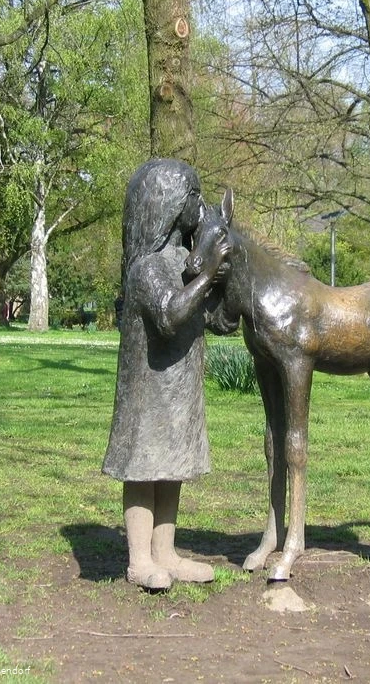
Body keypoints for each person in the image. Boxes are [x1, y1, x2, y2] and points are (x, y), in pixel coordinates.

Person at [102, 159, 230, 591]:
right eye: (195, 196)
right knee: (143, 464)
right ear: (174, 205)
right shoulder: (147, 267)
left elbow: (208, 316)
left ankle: (166, 552)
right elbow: (170, 315)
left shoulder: (182, 258)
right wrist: (208, 274)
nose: (201, 204)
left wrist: (221, 288)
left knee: (171, 462)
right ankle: (140, 559)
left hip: (178, 385)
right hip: (148, 387)